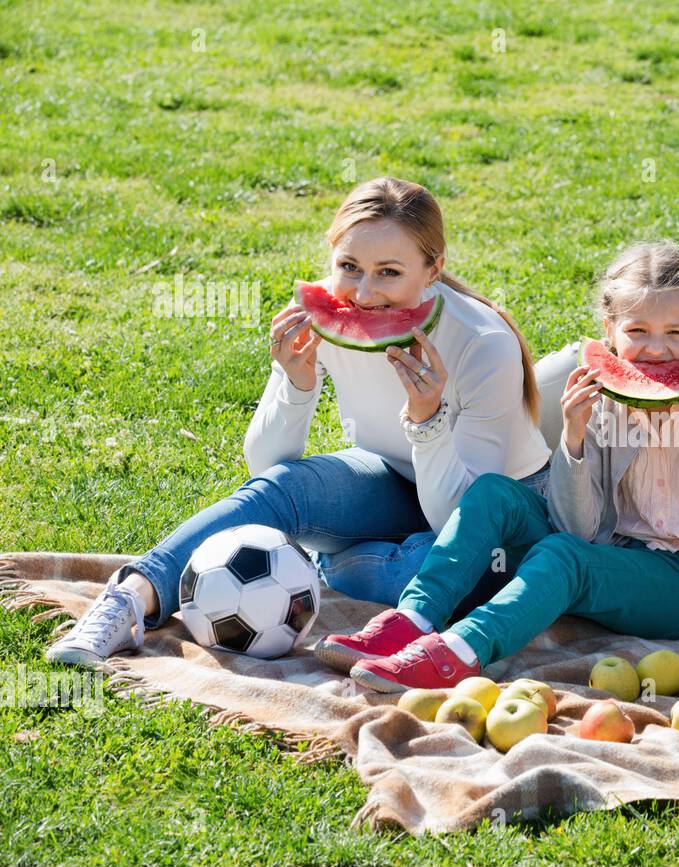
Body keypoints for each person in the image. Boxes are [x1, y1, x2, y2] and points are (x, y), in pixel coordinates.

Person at [45, 177, 550, 667]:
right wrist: (297, 383)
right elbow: (265, 465)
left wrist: (427, 420)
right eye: (349, 266)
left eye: (389, 273)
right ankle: (129, 599)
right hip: (392, 477)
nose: (363, 294)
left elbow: (455, 520)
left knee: (429, 565)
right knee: (282, 488)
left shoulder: (483, 345)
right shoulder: (315, 316)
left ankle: (324, 565)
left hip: (495, 520)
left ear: (433, 269)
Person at [313, 242, 679, 692]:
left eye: (675, 334)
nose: (656, 350)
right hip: (603, 550)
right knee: (496, 492)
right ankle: (412, 620)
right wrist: (574, 442)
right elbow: (577, 525)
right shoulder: (602, 402)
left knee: (562, 560)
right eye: (637, 331)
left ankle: (458, 652)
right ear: (610, 329)